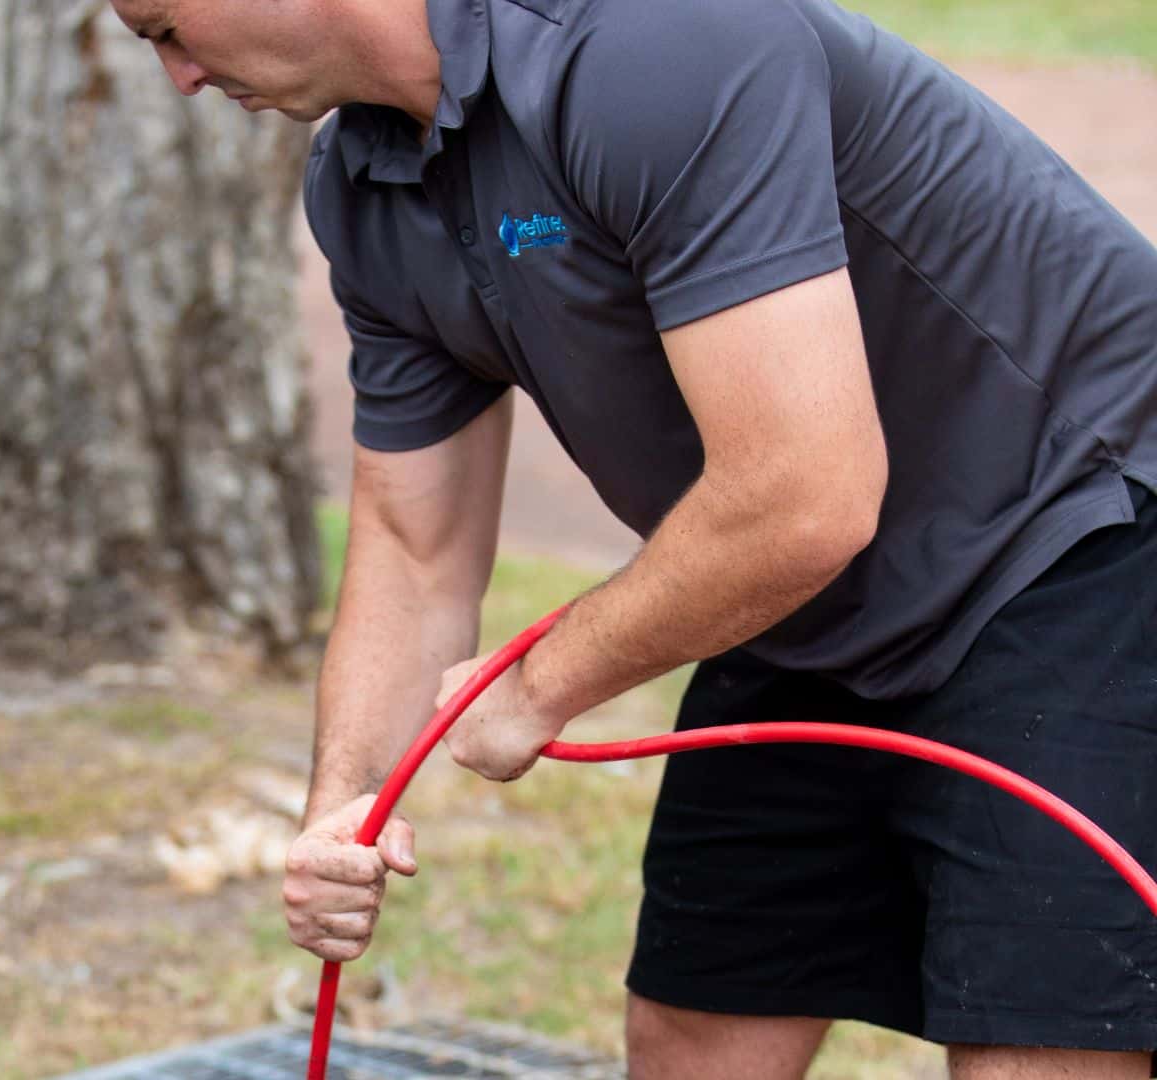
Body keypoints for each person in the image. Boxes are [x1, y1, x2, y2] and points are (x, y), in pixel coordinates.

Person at [109, 0, 1157, 1076]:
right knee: (695, 1032)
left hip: (1083, 531)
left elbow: (805, 496)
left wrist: (542, 683)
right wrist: (344, 812)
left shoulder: (656, 41)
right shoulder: (362, 182)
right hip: (801, 591)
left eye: (165, 27)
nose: (179, 79)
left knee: (1040, 1047)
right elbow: (412, 545)